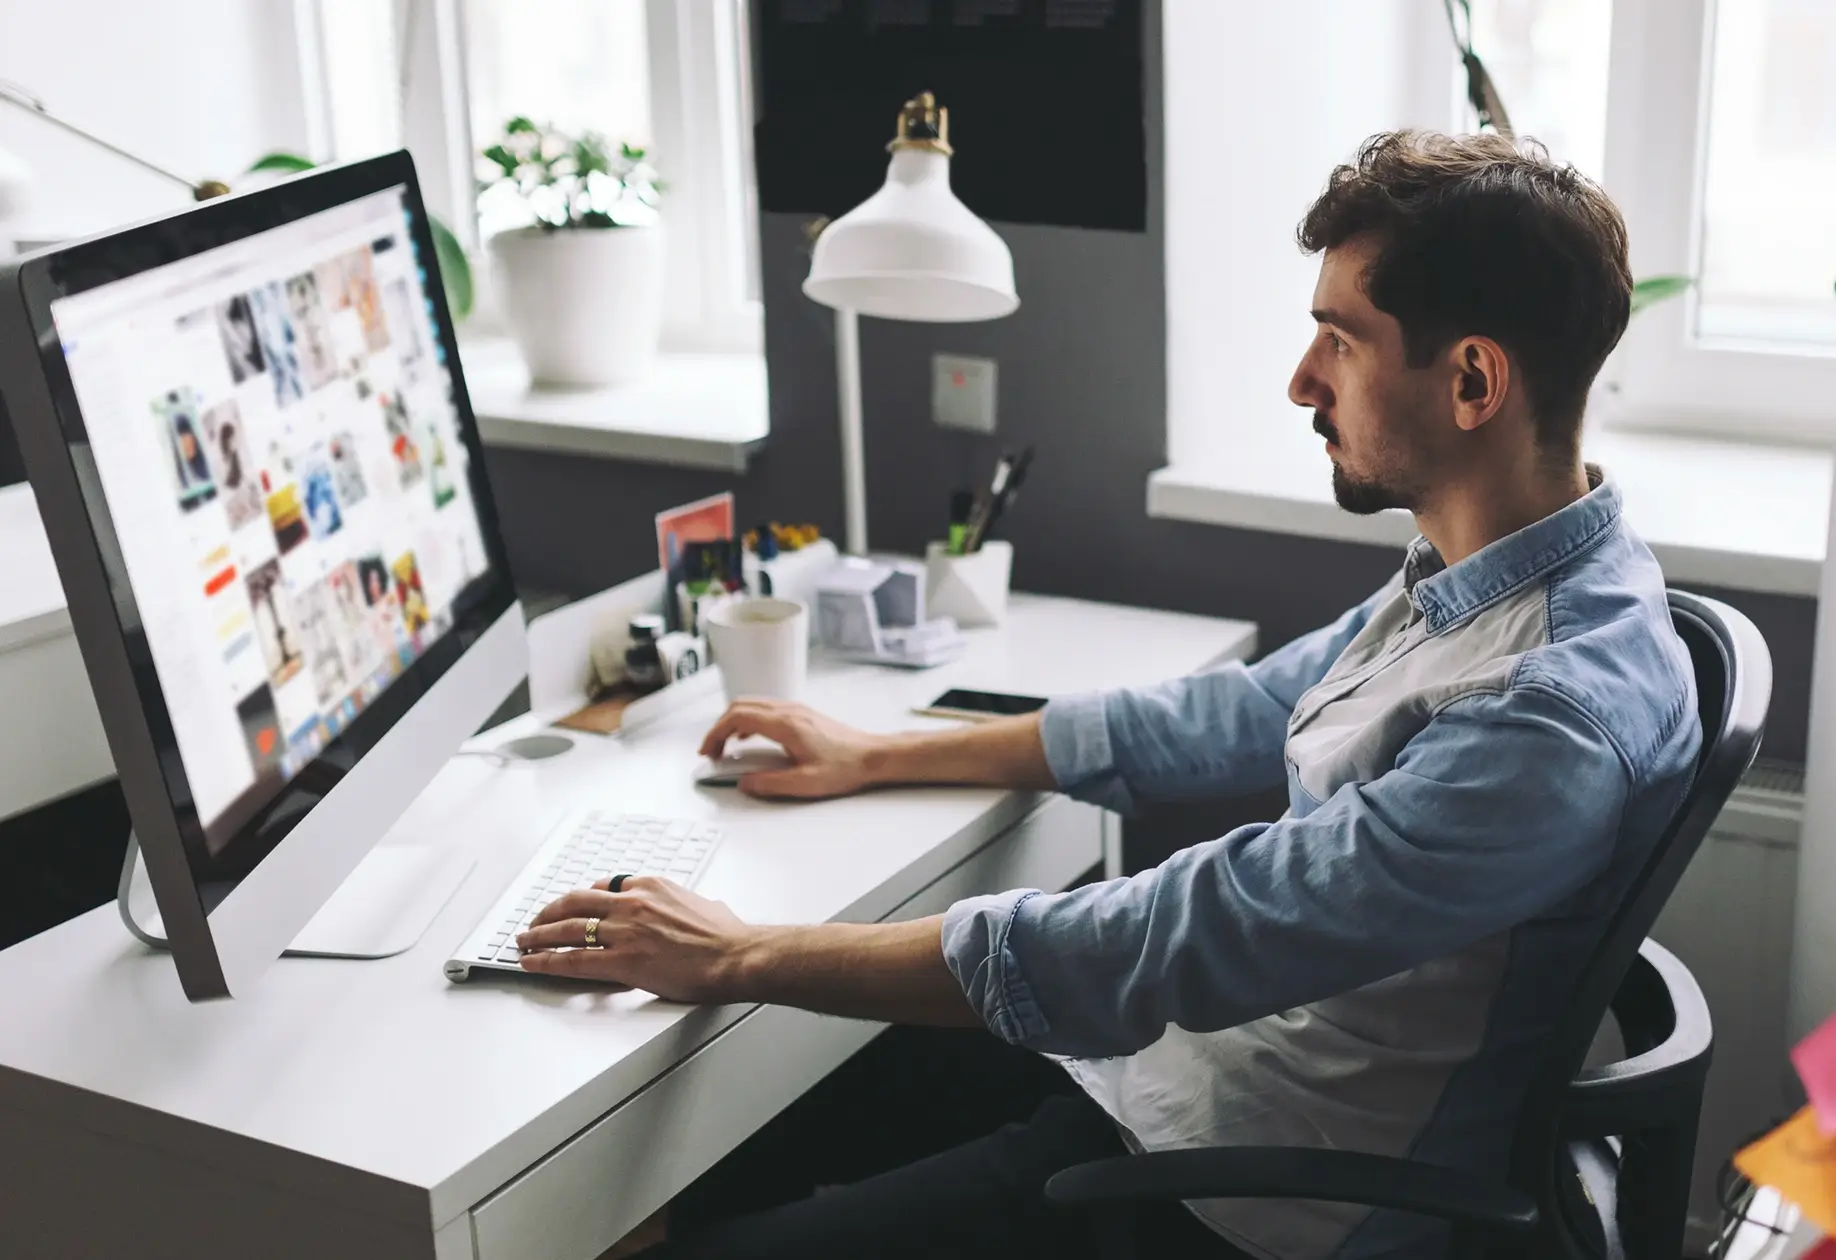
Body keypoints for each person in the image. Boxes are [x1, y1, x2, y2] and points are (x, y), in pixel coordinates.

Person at [518, 130, 1701, 1260]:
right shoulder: (1501, 567)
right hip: (1182, 1071)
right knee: (750, 1130)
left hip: (1251, 1193)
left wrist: (744, 954)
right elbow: (1236, 715)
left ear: (1474, 380)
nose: (1301, 382)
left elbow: (1186, 933)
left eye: (1338, 341)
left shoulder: (1540, 711)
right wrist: (879, 752)